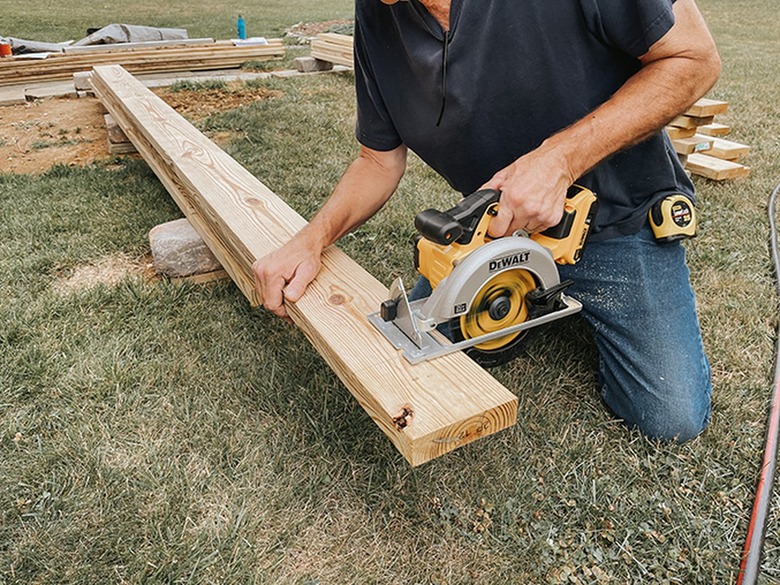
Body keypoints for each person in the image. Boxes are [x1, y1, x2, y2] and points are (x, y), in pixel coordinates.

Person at [253, 0, 721, 442]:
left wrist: (558, 160)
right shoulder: (379, 14)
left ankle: (563, 295)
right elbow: (378, 161)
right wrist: (311, 239)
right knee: (408, 344)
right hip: (499, 230)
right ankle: (535, 296)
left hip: (617, 219)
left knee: (668, 415)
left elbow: (694, 59)